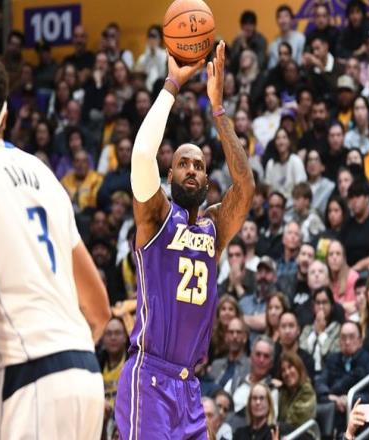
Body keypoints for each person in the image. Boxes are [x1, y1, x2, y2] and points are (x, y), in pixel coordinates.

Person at [0, 51, 111, 439]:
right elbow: (99, 309)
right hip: (85, 375)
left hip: (30, 378)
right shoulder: (45, 176)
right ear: (5, 114)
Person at [115, 41, 254, 438]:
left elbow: (245, 187)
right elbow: (142, 157)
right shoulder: (156, 216)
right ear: (170, 175)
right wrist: (172, 85)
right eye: (182, 164)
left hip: (189, 385)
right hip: (149, 376)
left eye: (198, 165)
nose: (191, 169)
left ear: (207, 179)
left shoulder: (214, 227)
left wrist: (218, 111)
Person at [299, 287, 341, 375]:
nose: (321, 307)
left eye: (325, 302)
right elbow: (302, 352)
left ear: (332, 306)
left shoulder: (338, 329)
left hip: (329, 373)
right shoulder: (307, 329)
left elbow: (332, 353)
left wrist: (321, 333)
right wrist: (314, 333)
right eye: (318, 303)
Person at [277, 352, 317, 430]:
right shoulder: (284, 392)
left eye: (290, 367)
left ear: (298, 368)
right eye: (283, 370)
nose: (287, 373)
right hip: (284, 433)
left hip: (302, 434)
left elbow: (294, 422)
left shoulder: (307, 391)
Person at [327, 239, 359, 317]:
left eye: (338, 254)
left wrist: (332, 308)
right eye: (331, 254)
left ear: (343, 258)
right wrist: (343, 306)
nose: (334, 257)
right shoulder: (324, 279)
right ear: (327, 259)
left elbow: (353, 307)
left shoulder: (353, 277)